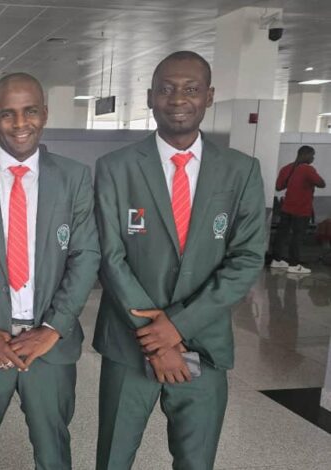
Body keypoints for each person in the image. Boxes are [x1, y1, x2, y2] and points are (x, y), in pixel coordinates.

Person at [93, 51, 266, 470]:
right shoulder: (115, 168)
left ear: (209, 96)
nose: (178, 99)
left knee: (196, 461)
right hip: (129, 346)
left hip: (204, 347)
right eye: (166, 89)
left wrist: (177, 327)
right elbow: (109, 257)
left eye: (191, 89)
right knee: (113, 459)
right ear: (150, 97)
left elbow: (246, 258)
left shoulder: (240, 170)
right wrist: (156, 337)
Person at [0, 72, 100, 469]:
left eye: (30, 111)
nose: (20, 123)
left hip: (50, 348)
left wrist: (53, 329)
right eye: (7, 113)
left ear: (44, 114)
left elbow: (85, 257)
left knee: (53, 453)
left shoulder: (74, 178)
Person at [271, 145, 326, 274]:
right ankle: (294, 265)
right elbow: (322, 184)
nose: (313, 158)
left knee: (282, 234)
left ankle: (277, 260)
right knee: (297, 237)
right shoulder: (307, 169)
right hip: (301, 210)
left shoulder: (287, 168)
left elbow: (279, 187)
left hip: (286, 208)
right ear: (305, 155)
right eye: (312, 155)